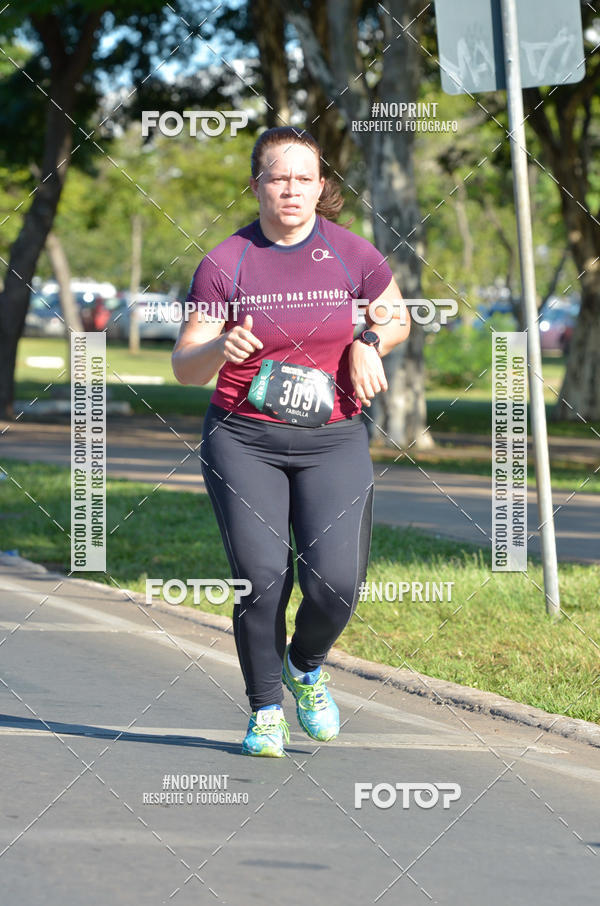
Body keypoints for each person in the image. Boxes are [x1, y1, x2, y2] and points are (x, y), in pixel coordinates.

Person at [172, 126, 410, 757]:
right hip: (243, 439)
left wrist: (368, 342)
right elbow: (185, 366)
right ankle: (264, 709)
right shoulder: (226, 262)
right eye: (278, 178)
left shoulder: (352, 253)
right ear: (256, 186)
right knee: (261, 578)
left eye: (305, 178)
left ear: (321, 185)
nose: (292, 189)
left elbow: (396, 318)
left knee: (336, 584)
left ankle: (305, 666)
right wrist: (220, 348)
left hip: (333, 439)